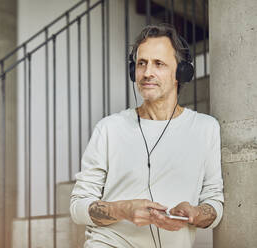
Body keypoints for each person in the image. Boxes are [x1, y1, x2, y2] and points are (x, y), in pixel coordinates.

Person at [70, 24, 224, 248]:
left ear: (181, 72)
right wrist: (123, 210)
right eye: (142, 63)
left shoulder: (206, 128)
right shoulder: (109, 128)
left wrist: (196, 213)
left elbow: (214, 200)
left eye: (158, 64)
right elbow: (78, 206)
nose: (147, 73)